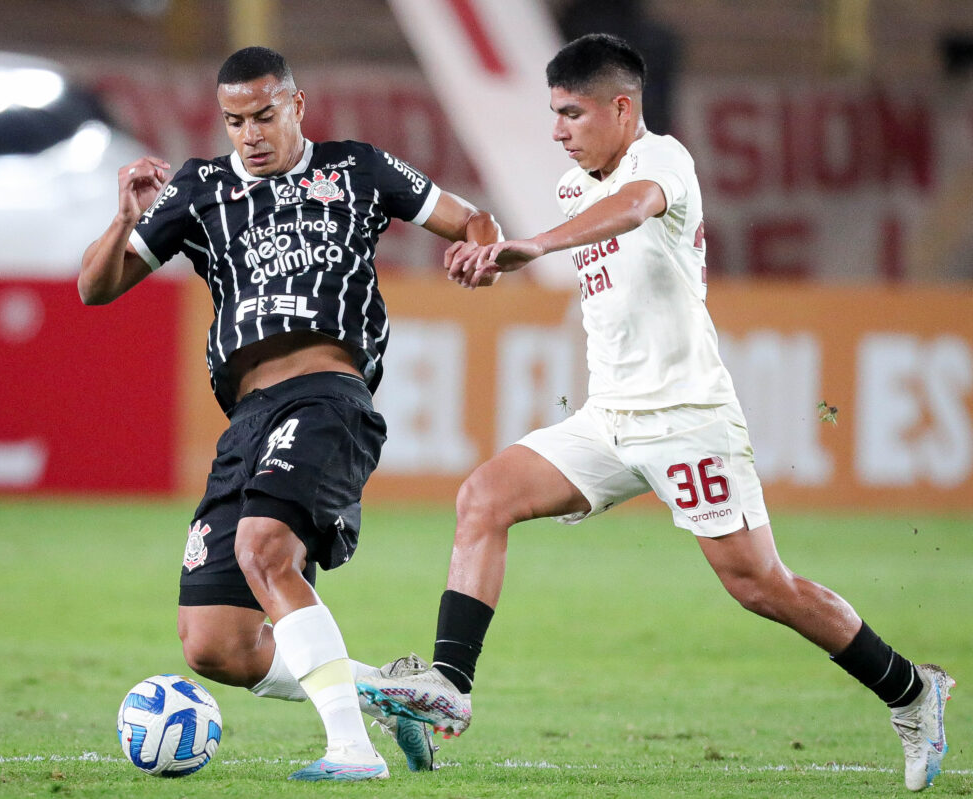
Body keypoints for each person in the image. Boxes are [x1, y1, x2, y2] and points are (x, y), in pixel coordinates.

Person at [356, 34, 955, 793]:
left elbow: (634, 209)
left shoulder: (662, 161)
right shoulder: (576, 188)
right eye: (552, 114)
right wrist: (508, 255)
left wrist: (531, 245)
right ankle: (447, 682)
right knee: (483, 497)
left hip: (687, 418)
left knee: (760, 584)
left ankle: (912, 691)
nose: (557, 130)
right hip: (609, 420)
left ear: (621, 108)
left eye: (571, 113)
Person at [79, 46, 500, 782]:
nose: (250, 133)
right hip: (246, 420)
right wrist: (124, 220)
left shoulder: (356, 168)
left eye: (264, 115)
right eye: (235, 121)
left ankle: (352, 750)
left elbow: (473, 221)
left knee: (266, 545)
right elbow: (95, 287)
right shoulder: (199, 188)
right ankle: (387, 697)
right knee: (215, 643)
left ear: (296, 106)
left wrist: (480, 252)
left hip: (327, 396)